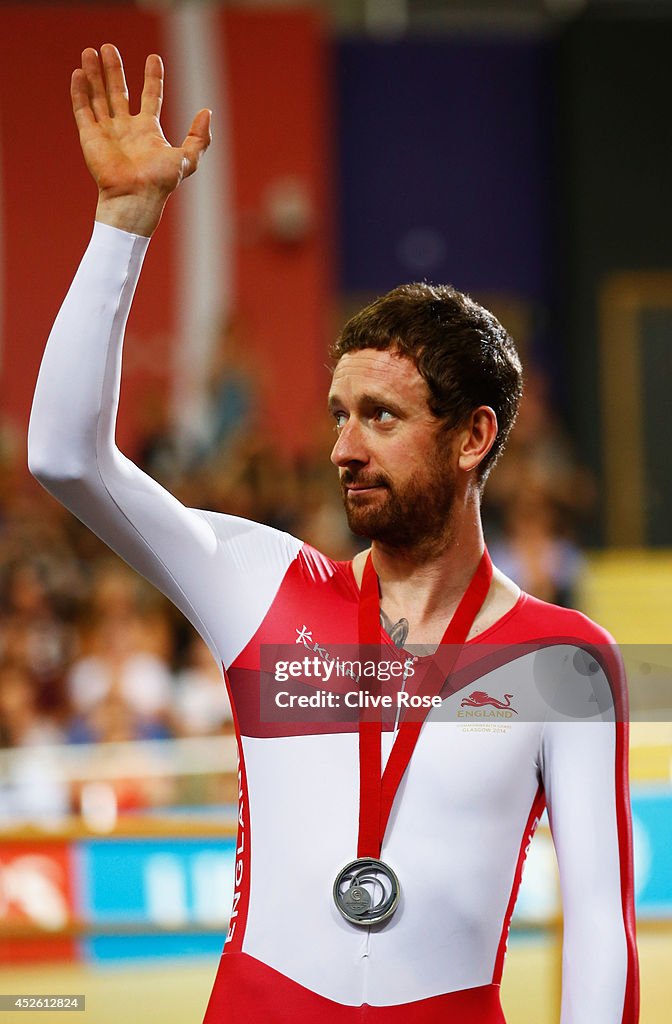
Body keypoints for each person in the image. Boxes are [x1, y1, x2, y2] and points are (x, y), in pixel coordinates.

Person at [28, 45, 638, 1024]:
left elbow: (603, 933)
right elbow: (64, 454)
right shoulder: (257, 583)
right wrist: (123, 224)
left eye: (383, 418)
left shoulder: (565, 664)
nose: (344, 447)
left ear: (474, 435)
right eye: (337, 413)